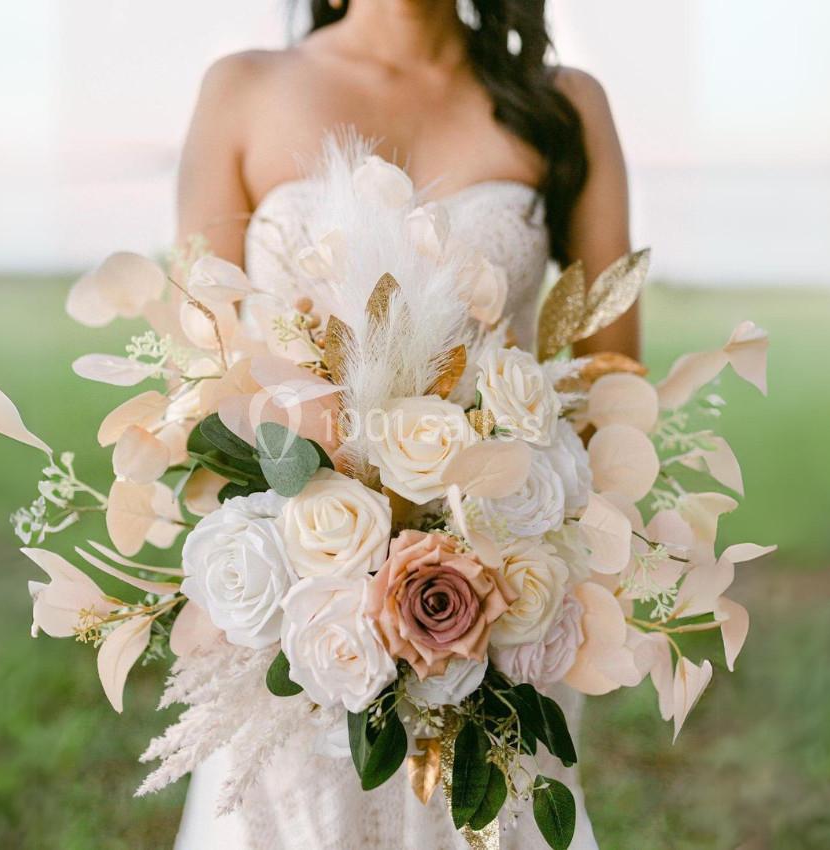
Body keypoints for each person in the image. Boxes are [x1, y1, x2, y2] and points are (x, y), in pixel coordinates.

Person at [173, 2, 636, 847]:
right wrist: (329, 528)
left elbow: (613, 388)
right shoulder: (243, 89)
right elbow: (204, 367)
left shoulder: (564, 105)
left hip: (498, 597)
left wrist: (514, 559)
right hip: (300, 598)